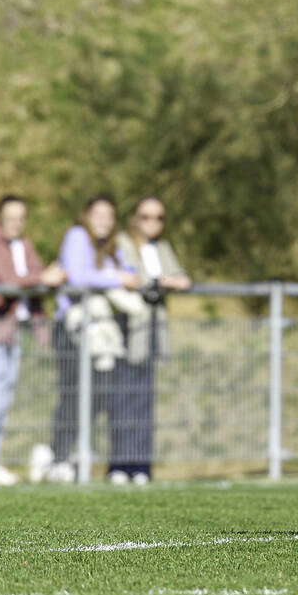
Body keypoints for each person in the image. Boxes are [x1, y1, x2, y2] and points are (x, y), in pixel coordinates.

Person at [28, 194, 144, 484]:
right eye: (98, 214)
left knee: (98, 396)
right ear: (87, 215)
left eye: (109, 215)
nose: (104, 221)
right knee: (72, 395)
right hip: (73, 331)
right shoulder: (77, 237)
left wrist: (117, 274)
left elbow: (131, 275)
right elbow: (79, 277)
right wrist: (114, 277)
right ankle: (57, 455)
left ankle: (73, 453)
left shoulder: (112, 246)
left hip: (102, 335)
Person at [0, 195, 66, 485]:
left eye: (20, 217)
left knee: (4, 400)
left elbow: (36, 279)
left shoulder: (25, 246)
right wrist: (44, 276)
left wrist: (40, 320)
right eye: (10, 217)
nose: (15, 223)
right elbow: (10, 280)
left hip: (13, 332)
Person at [112, 197, 192, 484]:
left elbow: (181, 278)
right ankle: (120, 464)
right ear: (135, 217)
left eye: (159, 218)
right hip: (129, 332)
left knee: (145, 402)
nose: (152, 223)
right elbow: (130, 278)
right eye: (146, 217)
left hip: (154, 332)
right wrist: (157, 281)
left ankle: (141, 465)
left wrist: (161, 282)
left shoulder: (163, 248)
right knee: (124, 401)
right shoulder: (122, 243)